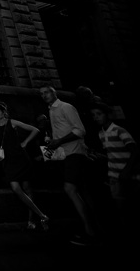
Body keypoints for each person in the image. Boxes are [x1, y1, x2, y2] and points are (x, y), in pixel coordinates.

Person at [0, 103, 50, 230]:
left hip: (20, 158)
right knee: (15, 187)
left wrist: (25, 142)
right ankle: (42, 215)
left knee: (27, 188)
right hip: (7, 160)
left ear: (4, 112)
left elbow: (35, 130)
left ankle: (31, 220)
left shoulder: (12, 122)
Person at [39, 85, 98, 245]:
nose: (44, 95)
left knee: (70, 189)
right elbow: (61, 132)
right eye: (42, 94)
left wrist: (59, 141)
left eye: (47, 92)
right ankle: (93, 228)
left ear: (54, 93)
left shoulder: (66, 107)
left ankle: (90, 232)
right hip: (64, 153)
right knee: (83, 190)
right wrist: (53, 142)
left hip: (74, 152)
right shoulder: (51, 110)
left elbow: (80, 130)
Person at [90, 102, 138, 212]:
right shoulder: (101, 133)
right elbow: (111, 153)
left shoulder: (119, 130)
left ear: (107, 114)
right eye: (93, 115)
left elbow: (135, 151)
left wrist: (126, 170)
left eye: (99, 114)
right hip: (114, 175)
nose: (96, 117)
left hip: (127, 173)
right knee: (120, 205)